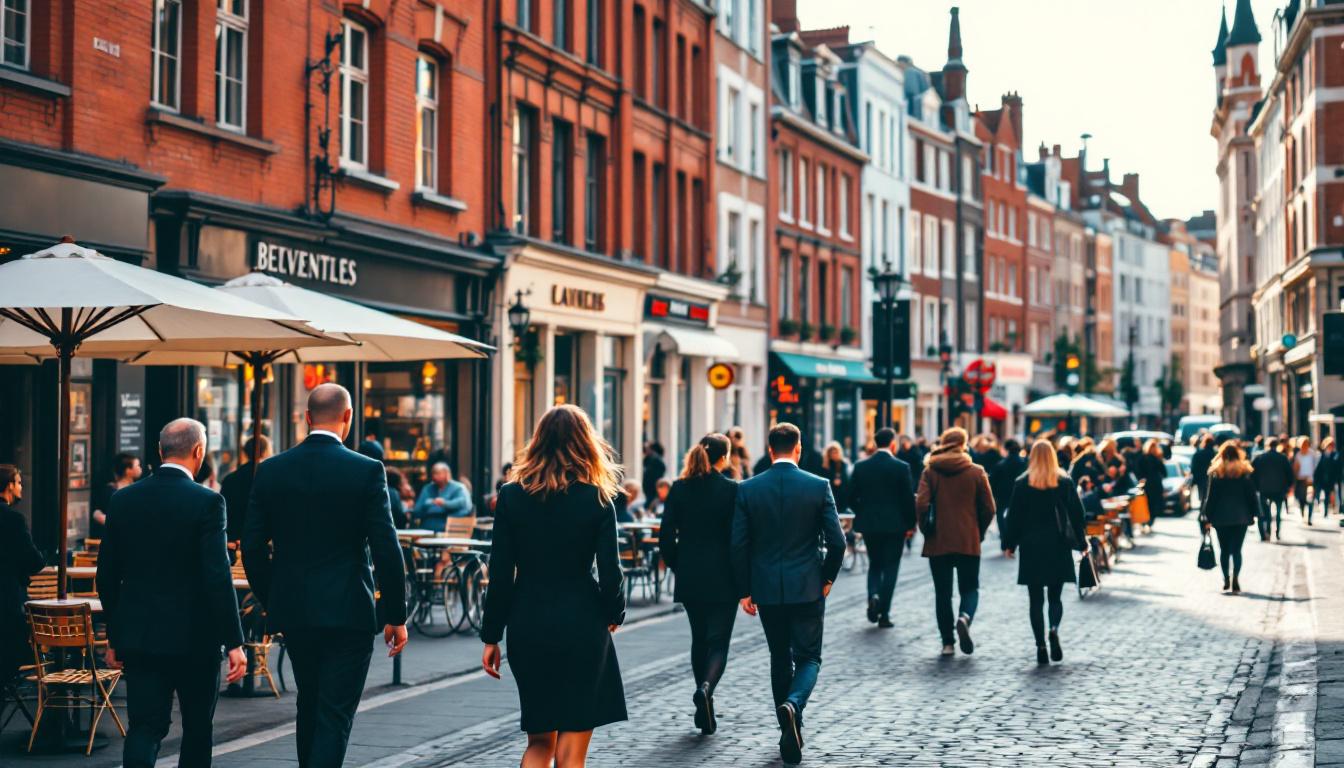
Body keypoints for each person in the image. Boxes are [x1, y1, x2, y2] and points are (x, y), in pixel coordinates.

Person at [244, 384, 408, 768]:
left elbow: (251, 547)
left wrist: (274, 597)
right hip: (349, 610)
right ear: (347, 417)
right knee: (334, 714)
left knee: (309, 704)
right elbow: (386, 547)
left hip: (296, 610)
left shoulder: (272, 470)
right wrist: (396, 614)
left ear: (307, 417)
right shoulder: (367, 470)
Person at [480, 404, 626, 768]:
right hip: (582, 624)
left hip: (528, 622)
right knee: (571, 751)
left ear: (538, 442)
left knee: (540, 740)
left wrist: (491, 636)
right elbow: (611, 573)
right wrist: (614, 613)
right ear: (586, 443)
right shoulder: (597, 498)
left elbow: (500, 574)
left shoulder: (511, 497)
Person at [96, 419, 247, 768]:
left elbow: (107, 576)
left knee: (144, 727)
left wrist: (116, 634)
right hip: (196, 637)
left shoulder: (123, 499)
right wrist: (234, 641)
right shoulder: (208, 501)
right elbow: (217, 576)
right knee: (197, 728)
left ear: (160, 450)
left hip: (141, 636)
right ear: (199, 451)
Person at [731, 423, 845, 766]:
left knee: (779, 655)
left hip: (767, 587)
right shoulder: (818, 485)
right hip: (808, 586)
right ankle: (793, 706)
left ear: (769, 450)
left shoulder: (748, 488)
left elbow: (738, 544)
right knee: (809, 657)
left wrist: (744, 589)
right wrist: (827, 578)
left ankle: (788, 726)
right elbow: (837, 542)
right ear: (798, 449)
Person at [659, 433, 740, 735]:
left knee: (699, 638)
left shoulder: (679, 488)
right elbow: (739, 538)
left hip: (691, 574)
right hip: (724, 576)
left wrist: (678, 565)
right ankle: (706, 689)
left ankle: (703, 698)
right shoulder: (731, 489)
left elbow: (666, 536)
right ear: (724, 457)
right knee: (718, 642)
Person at [1001, 441, 1087, 665]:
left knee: (1035, 600)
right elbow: (1077, 514)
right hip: (1058, 544)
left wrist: (1009, 544)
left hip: (1031, 546)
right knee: (1055, 597)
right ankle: (1054, 628)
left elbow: (1014, 517)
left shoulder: (1022, 483)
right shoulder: (1064, 481)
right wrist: (1082, 541)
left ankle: (1040, 645)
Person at [916, 427, 995, 657]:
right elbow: (989, 508)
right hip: (967, 539)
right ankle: (965, 617)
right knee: (970, 588)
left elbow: (921, 504)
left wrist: (926, 529)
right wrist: (978, 531)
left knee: (943, 593)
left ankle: (947, 643)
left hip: (938, 540)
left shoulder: (930, 471)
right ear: (964, 444)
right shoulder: (976, 471)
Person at [846, 427, 916, 628]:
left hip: (870, 524)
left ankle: (873, 595)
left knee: (875, 564)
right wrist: (910, 524)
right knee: (891, 567)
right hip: (895, 525)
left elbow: (850, 497)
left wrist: (863, 511)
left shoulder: (861, 466)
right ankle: (884, 613)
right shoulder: (901, 467)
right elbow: (907, 499)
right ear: (893, 444)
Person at [1, 465, 45, 684]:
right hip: (7, 600)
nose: (21, 487)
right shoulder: (13, 519)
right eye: (19, 482)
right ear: (9, 485)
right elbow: (34, 561)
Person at [1202, 442, 1259, 594]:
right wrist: (1255, 514)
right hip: (1241, 517)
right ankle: (1236, 579)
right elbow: (1251, 496)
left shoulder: (1217, 473)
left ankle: (1226, 578)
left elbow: (1210, 498)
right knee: (1237, 550)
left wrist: (1207, 518)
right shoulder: (1244, 472)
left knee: (1224, 550)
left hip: (1220, 518)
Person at [220, 435, 271, 546]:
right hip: (261, 539)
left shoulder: (230, 479)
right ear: (265, 452)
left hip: (234, 538)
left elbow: (224, 512)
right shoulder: (269, 476)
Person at [90, 452, 141, 541]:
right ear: (128, 471)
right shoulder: (110, 491)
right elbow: (97, 512)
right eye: (137, 466)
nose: (140, 468)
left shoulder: (138, 489)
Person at [1250, 438, 1292, 541]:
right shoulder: (1282, 458)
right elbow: (1289, 474)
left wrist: (1256, 487)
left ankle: (1267, 532)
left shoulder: (1260, 458)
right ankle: (1277, 532)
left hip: (1263, 489)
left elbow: (1252, 474)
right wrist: (1287, 487)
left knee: (1265, 513)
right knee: (1278, 513)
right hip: (1279, 489)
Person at [413, 461, 473, 530]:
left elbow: (464, 506)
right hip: (427, 528)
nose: (434, 476)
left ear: (447, 474)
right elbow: (417, 510)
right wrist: (431, 503)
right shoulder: (427, 488)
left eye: (438, 473)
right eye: (433, 473)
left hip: (452, 528)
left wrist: (444, 503)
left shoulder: (459, 488)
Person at [989, 439, 1027, 538]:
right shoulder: (1025, 464)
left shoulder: (1000, 464)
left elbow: (992, 481)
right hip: (1020, 495)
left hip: (1003, 495)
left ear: (1006, 449)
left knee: (1000, 515)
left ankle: (1004, 535)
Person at [1137, 439, 1167, 530]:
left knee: (1146, 504)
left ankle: (1145, 522)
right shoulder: (1157, 459)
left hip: (1146, 484)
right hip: (1154, 484)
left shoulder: (1143, 458)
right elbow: (1164, 473)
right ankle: (1148, 522)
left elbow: (1138, 471)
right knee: (1152, 505)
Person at [1312, 437, 1339, 520]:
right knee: (1319, 494)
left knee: (1328, 495)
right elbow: (1318, 468)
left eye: (1332, 445)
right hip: (1321, 479)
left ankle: (1326, 511)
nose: (1331, 447)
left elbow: (1336, 468)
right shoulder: (1321, 455)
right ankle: (1318, 506)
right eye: (1330, 445)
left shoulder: (1335, 455)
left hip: (1330, 479)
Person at [820, 441, 851, 513]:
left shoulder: (844, 464)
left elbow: (847, 479)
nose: (834, 455)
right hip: (830, 494)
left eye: (836, 452)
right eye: (832, 453)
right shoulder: (825, 466)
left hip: (842, 494)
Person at [1293, 437, 1317, 521]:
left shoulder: (1312, 454)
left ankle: (1309, 518)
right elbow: (1296, 468)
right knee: (1302, 499)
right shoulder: (1298, 455)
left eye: (1306, 444)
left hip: (1310, 480)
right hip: (1301, 479)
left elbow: (1315, 466)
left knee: (1310, 499)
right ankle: (1303, 512)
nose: (1304, 446)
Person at [1190, 434, 1216, 511]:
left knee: (1202, 497)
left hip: (1201, 479)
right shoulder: (1216, 455)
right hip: (1213, 479)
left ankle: (1203, 510)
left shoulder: (1198, 454)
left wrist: (1195, 479)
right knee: (1211, 497)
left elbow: (1194, 468)